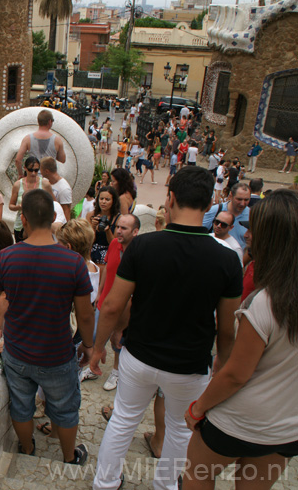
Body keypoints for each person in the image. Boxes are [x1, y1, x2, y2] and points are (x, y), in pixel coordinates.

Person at [89, 166, 242, 490]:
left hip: (140, 356)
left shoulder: (144, 247)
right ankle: (166, 486)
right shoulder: (227, 260)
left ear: (170, 199)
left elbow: (114, 305)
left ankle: (105, 483)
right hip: (189, 366)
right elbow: (227, 328)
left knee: (123, 420)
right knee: (179, 429)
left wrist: (99, 346)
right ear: (209, 203)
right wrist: (221, 361)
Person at [0, 188, 94, 465]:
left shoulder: (8, 258)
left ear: (24, 220)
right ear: (54, 216)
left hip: (16, 353)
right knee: (65, 409)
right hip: (57, 355)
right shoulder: (74, 263)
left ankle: (27, 449)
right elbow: (85, 315)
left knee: (21, 406)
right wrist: (89, 347)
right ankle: (69, 457)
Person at [183, 189, 298, 490]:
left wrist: (198, 408)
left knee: (197, 472)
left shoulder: (265, 303)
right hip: (286, 425)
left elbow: (236, 374)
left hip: (239, 420)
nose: (247, 236)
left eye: (253, 230)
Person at [79, 214, 139, 387]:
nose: (118, 231)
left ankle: (116, 372)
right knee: (96, 334)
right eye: (118, 227)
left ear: (135, 231)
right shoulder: (113, 244)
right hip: (105, 300)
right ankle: (92, 366)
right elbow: (106, 269)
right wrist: (99, 292)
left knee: (118, 341)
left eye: (124, 228)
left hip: (126, 306)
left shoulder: (139, 252)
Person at [9, 156, 51, 242]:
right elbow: (11, 206)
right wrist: (20, 207)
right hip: (21, 225)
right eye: (30, 170)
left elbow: (52, 203)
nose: (33, 173)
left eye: (36, 170)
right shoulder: (18, 185)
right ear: (25, 168)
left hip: (39, 224)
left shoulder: (45, 184)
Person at [14, 110, 67, 177]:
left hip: (33, 177)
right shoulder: (57, 140)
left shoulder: (27, 139)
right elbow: (62, 160)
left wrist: (20, 174)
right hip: (50, 178)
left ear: (38, 121)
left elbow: (18, 160)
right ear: (50, 121)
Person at [203, 181, 250, 249]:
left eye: (246, 200)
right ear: (230, 195)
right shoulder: (215, 210)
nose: (242, 203)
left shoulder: (252, 215)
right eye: (239, 199)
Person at [87, 186, 121, 269]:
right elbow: (88, 240)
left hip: (108, 254)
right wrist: (93, 227)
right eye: (101, 199)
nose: (103, 202)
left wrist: (107, 230)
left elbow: (114, 243)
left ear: (113, 201)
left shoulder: (118, 218)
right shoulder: (91, 215)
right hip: (92, 252)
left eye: (107, 199)